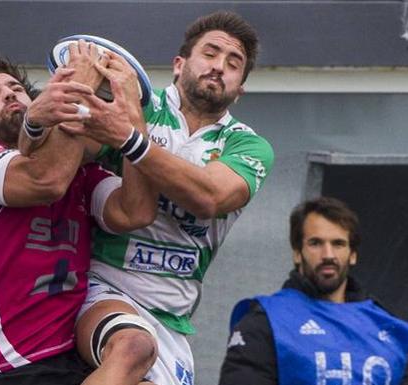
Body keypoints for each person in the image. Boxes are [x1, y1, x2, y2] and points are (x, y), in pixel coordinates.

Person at [63, 11, 275, 385]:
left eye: (233, 63)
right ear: (179, 64)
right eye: (210, 53)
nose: (218, 67)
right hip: (106, 288)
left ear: (240, 88)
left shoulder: (247, 144)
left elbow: (208, 197)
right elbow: (69, 153)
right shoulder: (137, 104)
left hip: (172, 317)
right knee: (132, 348)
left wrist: (131, 141)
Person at [0, 44, 156, 385]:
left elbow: (136, 211)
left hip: (64, 357)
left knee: (140, 356)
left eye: (16, 89)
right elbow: (46, 180)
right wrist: (81, 83)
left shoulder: (80, 172)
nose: (9, 94)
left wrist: (132, 115)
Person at [219, 197, 408, 385]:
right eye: (316, 243)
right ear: (297, 253)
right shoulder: (265, 322)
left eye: (338, 244)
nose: (328, 255)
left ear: (353, 254)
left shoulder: (386, 326)